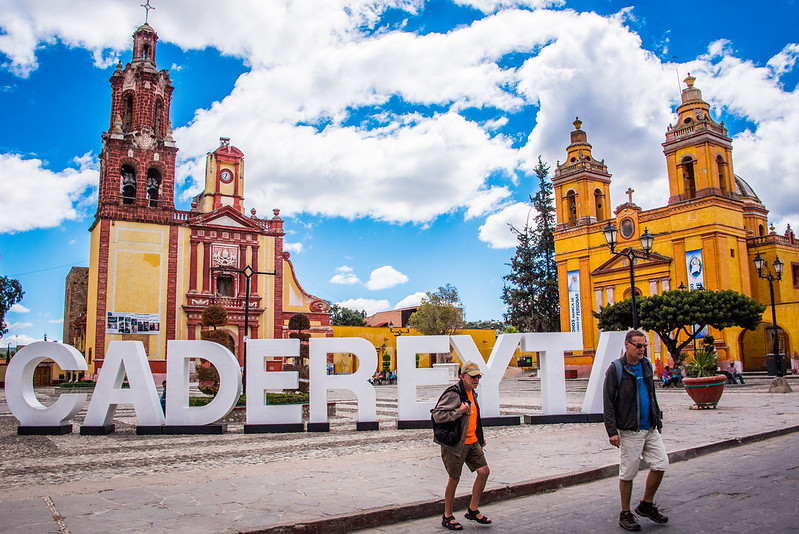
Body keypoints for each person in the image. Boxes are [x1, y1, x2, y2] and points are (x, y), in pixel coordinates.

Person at [603, 330, 669, 531]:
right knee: (628, 472)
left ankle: (646, 505)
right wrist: (612, 431)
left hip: (649, 427)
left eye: (644, 346)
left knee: (661, 463)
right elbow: (608, 402)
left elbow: (651, 393)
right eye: (638, 346)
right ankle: (625, 513)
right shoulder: (616, 369)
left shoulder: (646, 365)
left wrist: (657, 416)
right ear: (627, 345)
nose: (642, 350)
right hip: (630, 429)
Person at [431, 361, 492, 530]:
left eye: (478, 376)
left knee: (484, 471)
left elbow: (475, 417)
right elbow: (437, 415)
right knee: (454, 478)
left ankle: (472, 510)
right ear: (463, 376)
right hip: (455, 443)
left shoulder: (472, 393)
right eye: (473, 376)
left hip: (472, 441)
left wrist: (480, 436)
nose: (476, 380)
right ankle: (447, 515)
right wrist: (459, 411)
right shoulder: (454, 393)